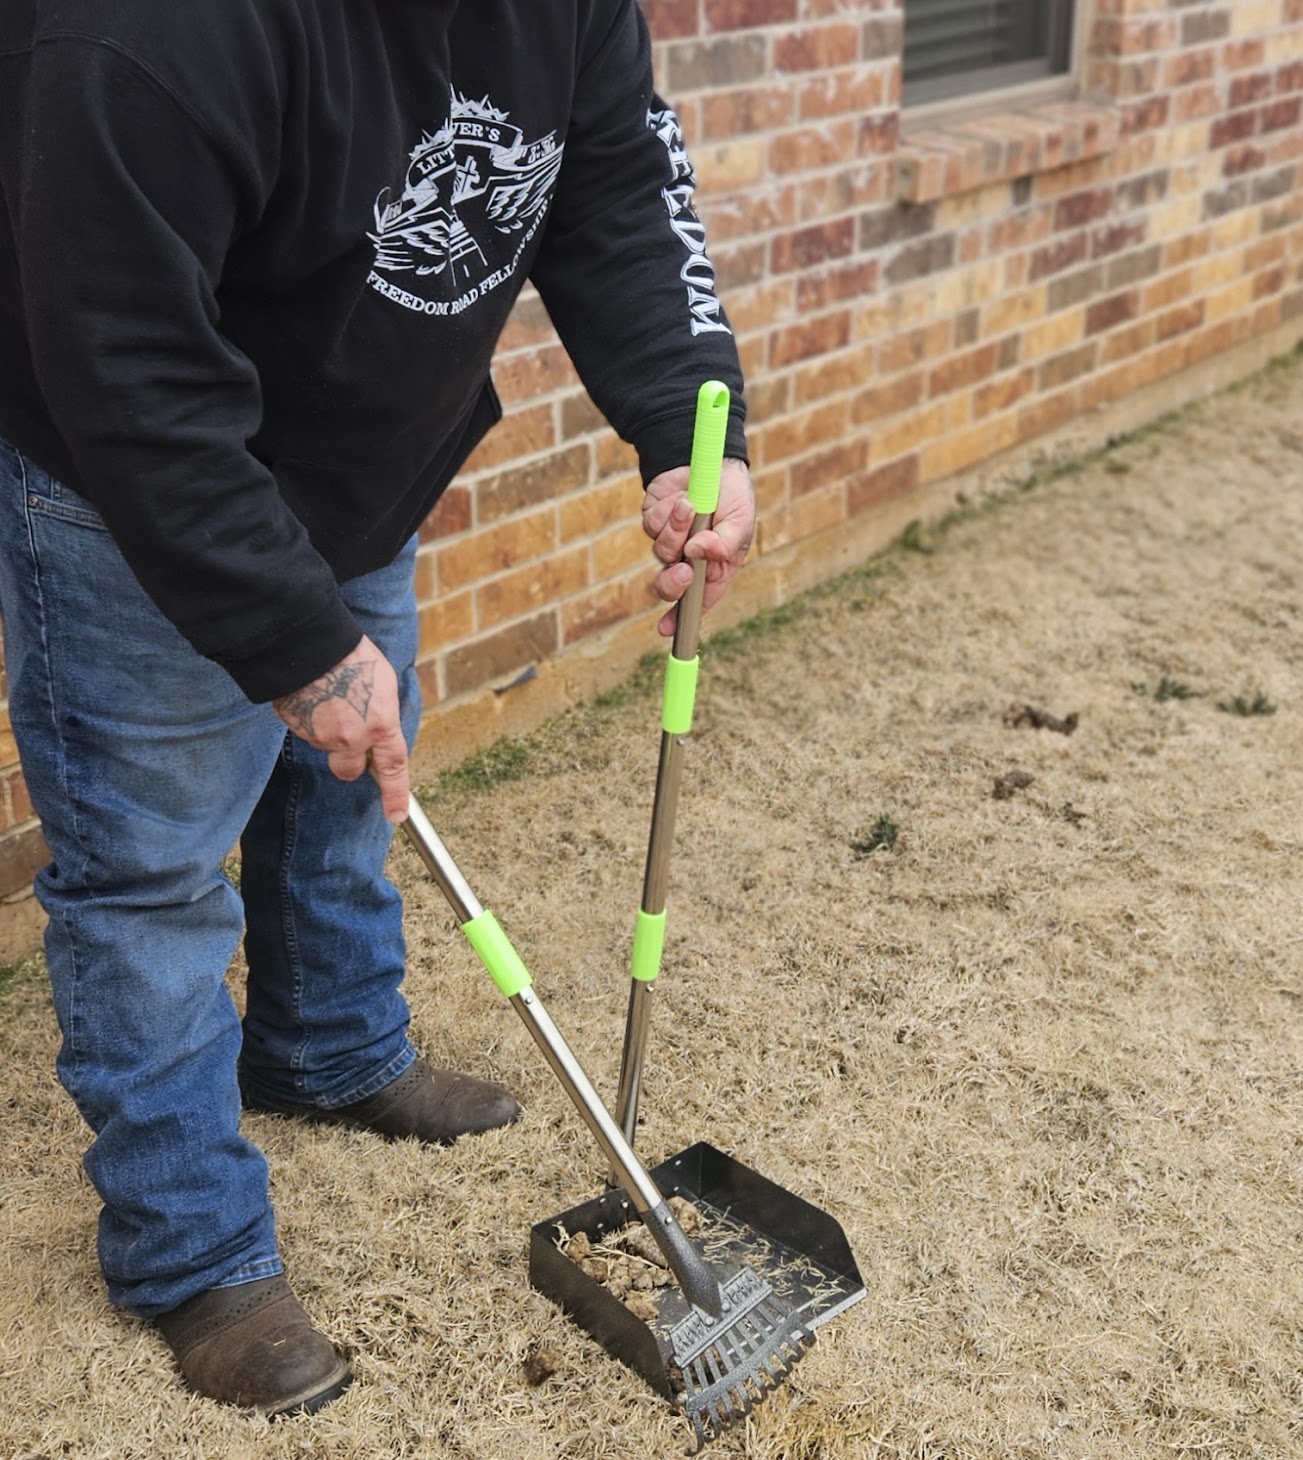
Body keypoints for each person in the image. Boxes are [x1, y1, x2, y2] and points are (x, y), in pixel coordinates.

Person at [0, 0, 755, 1417]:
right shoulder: (145, 38)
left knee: (357, 775)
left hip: (358, 456)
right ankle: (192, 1253)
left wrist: (688, 413)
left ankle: (330, 1048)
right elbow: (127, 361)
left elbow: (615, 184)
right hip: (133, 488)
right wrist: (291, 634)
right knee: (150, 873)